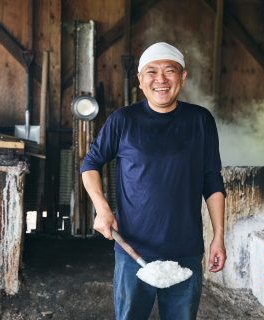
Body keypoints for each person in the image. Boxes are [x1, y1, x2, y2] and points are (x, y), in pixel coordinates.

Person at [80, 42, 226, 320]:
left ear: (182, 77)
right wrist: (102, 208)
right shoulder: (123, 120)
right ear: (140, 80)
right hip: (133, 248)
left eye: (169, 71)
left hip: (186, 251)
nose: (160, 79)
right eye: (151, 72)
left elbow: (212, 180)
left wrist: (218, 237)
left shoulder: (200, 121)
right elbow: (90, 164)